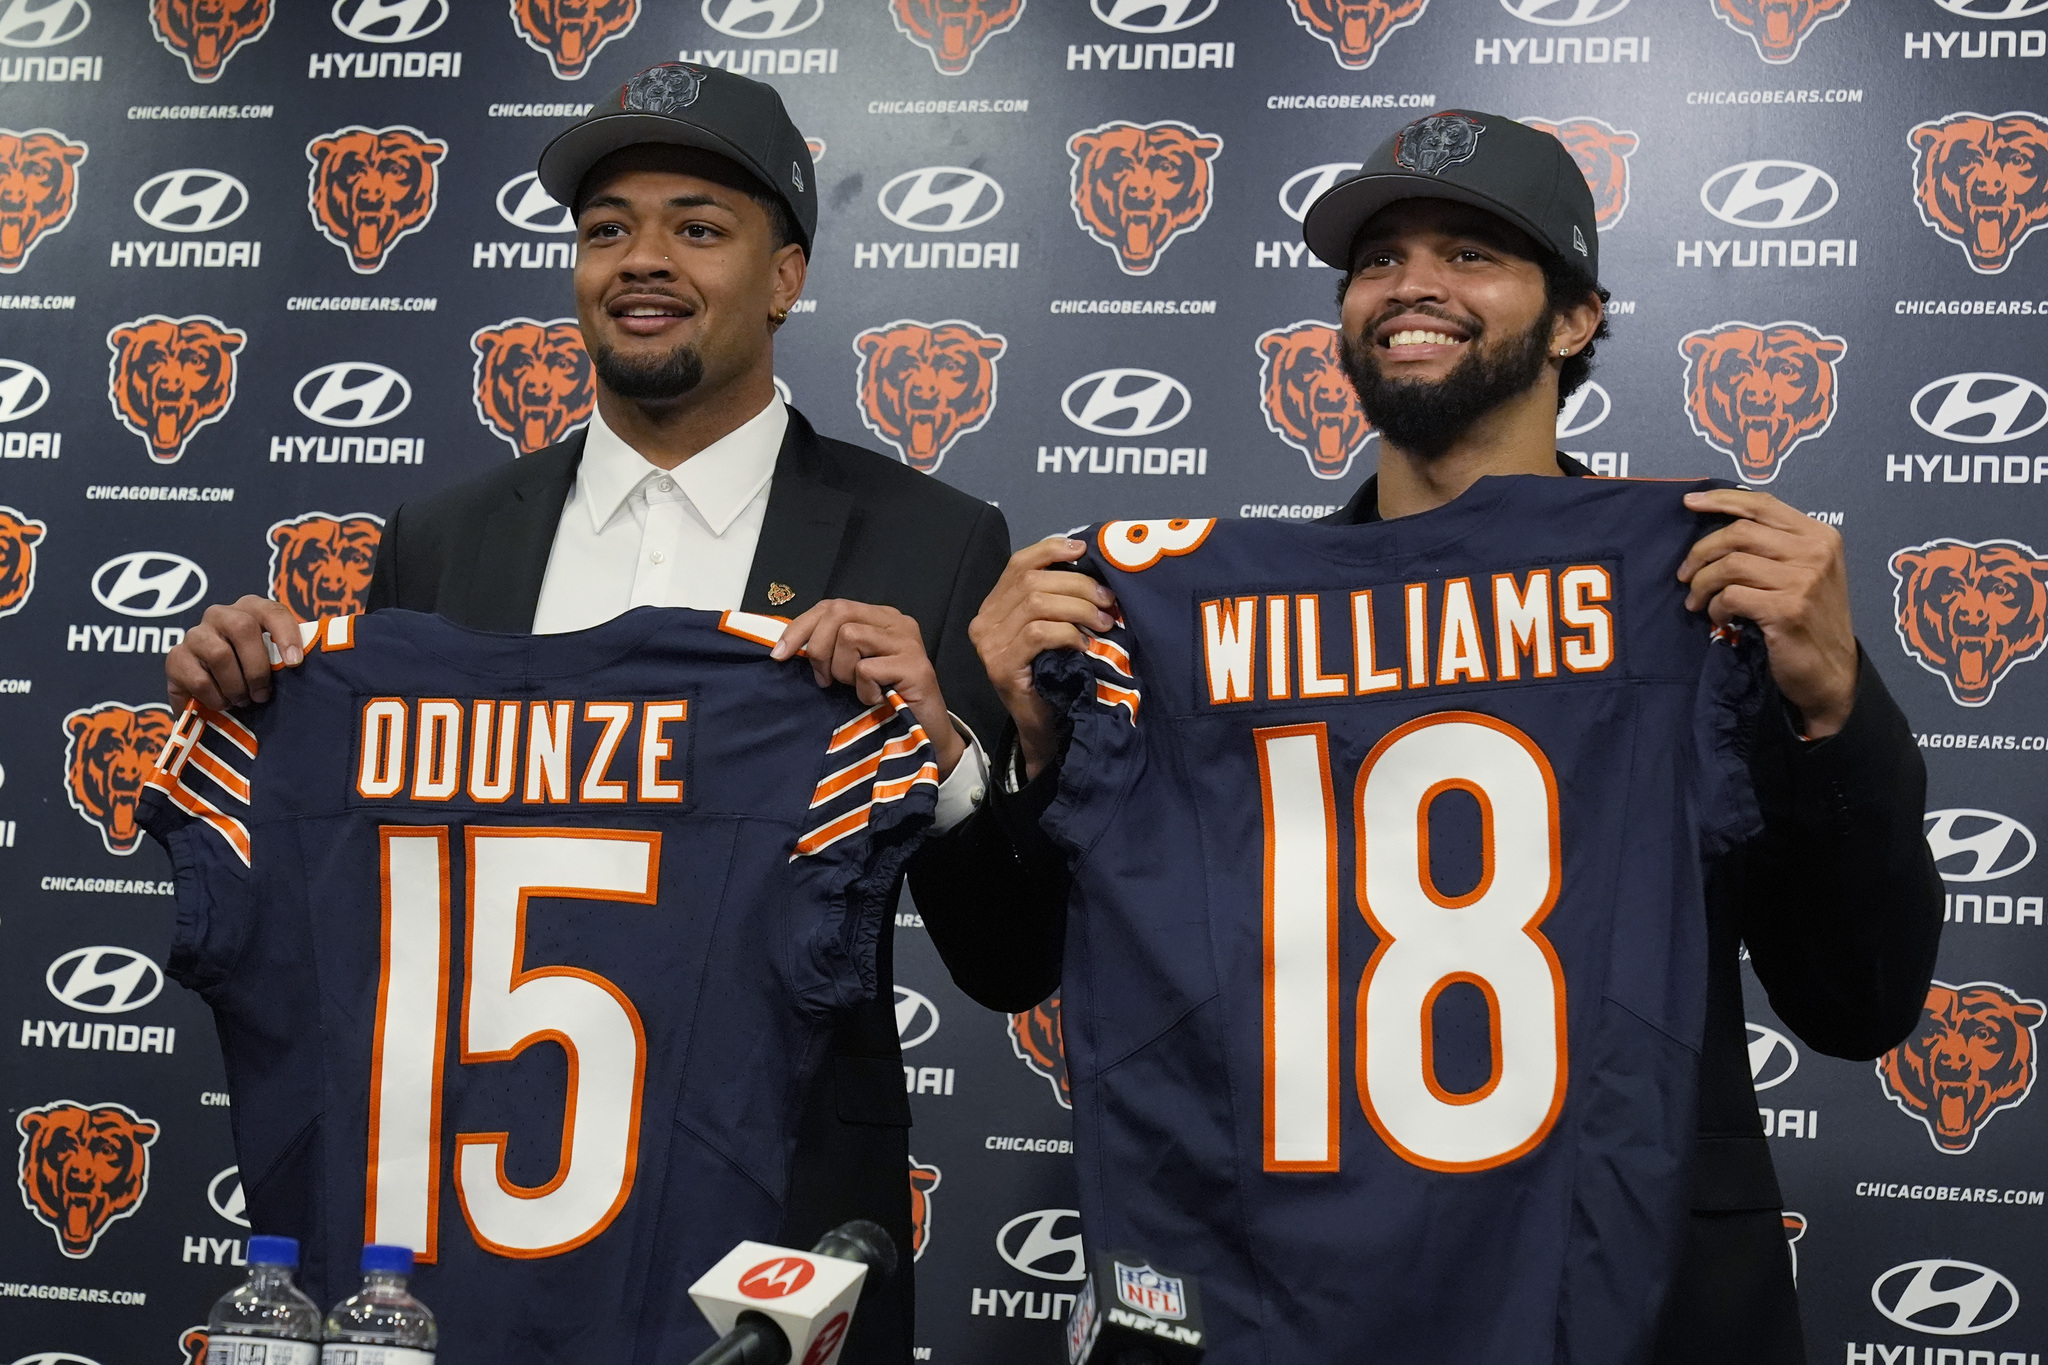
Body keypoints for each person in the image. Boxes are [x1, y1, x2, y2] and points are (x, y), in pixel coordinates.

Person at [916, 110, 1943, 1363]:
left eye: (1469, 254)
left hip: (1630, 1287)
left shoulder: (1703, 592)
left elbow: (1857, 1005)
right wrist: (1034, 735)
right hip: (1277, 1288)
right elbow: (1010, 965)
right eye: (1377, 260)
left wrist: (1831, 705)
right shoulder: (1188, 622)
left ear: (1573, 318)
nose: (1411, 286)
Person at [164, 62, 1008, 1365]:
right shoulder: (440, 541)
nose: (641, 260)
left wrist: (945, 756)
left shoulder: (929, 541)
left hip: (770, 1245)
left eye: (698, 226)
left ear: (785, 276)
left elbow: (1012, 958)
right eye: (605, 227)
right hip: (459, 1231)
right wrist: (255, 701)